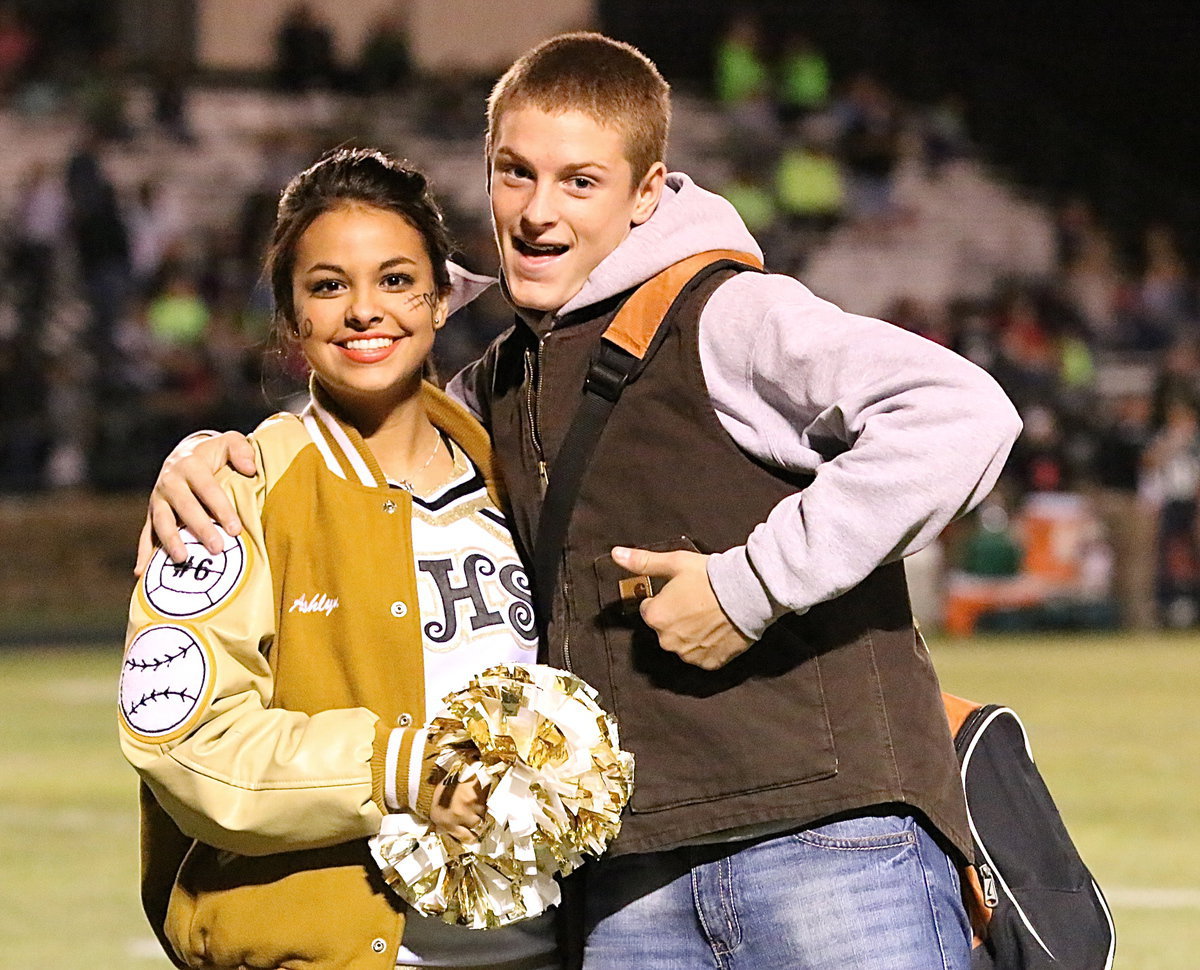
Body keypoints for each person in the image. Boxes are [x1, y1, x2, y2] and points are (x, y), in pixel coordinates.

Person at [139, 34, 1022, 970]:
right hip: (626, 881)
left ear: (647, 193)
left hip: (818, 847)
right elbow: (373, 408)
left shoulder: (726, 313)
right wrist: (206, 452)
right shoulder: (502, 389)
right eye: (515, 175)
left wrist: (749, 586)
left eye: (579, 181)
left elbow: (962, 412)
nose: (537, 210)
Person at [120, 148, 556, 970]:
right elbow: (184, 739)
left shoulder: (518, 472)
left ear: (439, 296)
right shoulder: (234, 490)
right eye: (328, 285)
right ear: (291, 317)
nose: (365, 311)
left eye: (395, 280)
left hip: (546, 949)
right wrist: (400, 767)